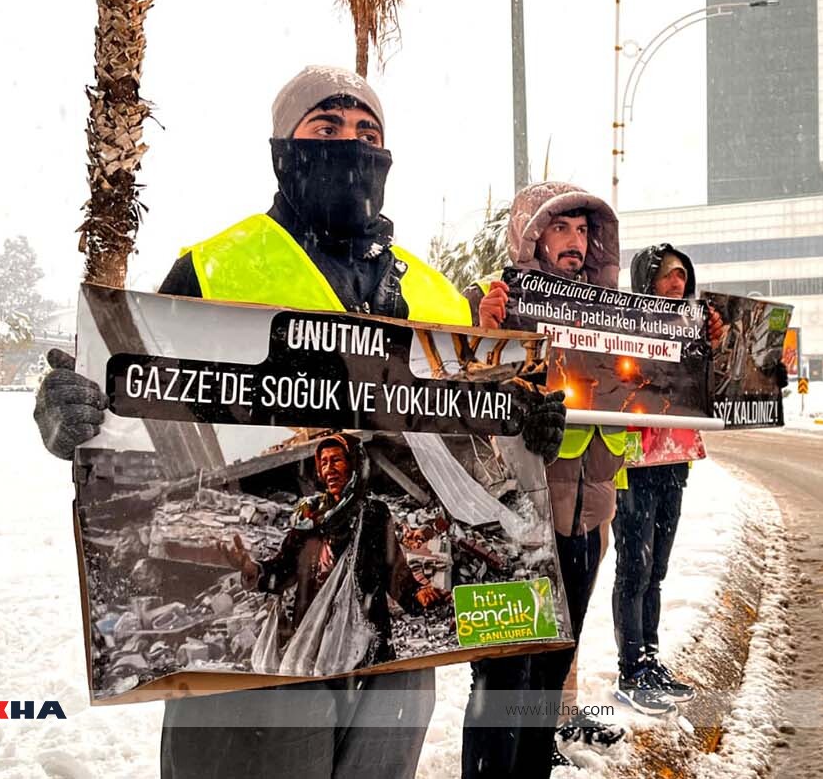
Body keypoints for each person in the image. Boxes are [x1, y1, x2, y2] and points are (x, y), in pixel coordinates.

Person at [33, 65, 568, 779]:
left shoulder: (434, 290)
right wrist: (74, 416)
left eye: (366, 133)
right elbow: (136, 410)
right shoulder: (213, 269)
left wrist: (524, 427)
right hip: (251, 661)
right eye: (326, 128)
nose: (350, 145)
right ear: (284, 149)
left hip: (399, 646)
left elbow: (471, 439)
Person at [462, 181, 626, 776]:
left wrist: (697, 337)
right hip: (513, 523)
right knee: (504, 678)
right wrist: (485, 334)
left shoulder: (616, 315)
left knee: (551, 673)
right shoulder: (493, 298)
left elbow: (663, 386)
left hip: (585, 521)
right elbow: (457, 391)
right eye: (560, 228)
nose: (575, 242)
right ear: (531, 233)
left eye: (584, 231)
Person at [221, 435, 442, 668]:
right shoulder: (309, 517)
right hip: (314, 635)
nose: (329, 469)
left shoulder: (373, 514)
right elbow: (285, 568)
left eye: (336, 460)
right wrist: (252, 569)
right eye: (324, 462)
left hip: (362, 633)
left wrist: (416, 593)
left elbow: (392, 567)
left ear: (354, 464)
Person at [611, 244, 719, 715]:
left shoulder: (694, 332)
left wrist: (717, 335)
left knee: (657, 569)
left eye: (683, 276)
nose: (677, 284)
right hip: (633, 462)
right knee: (633, 566)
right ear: (647, 281)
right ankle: (630, 668)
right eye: (668, 275)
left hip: (674, 459)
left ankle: (651, 659)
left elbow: (717, 380)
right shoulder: (622, 325)